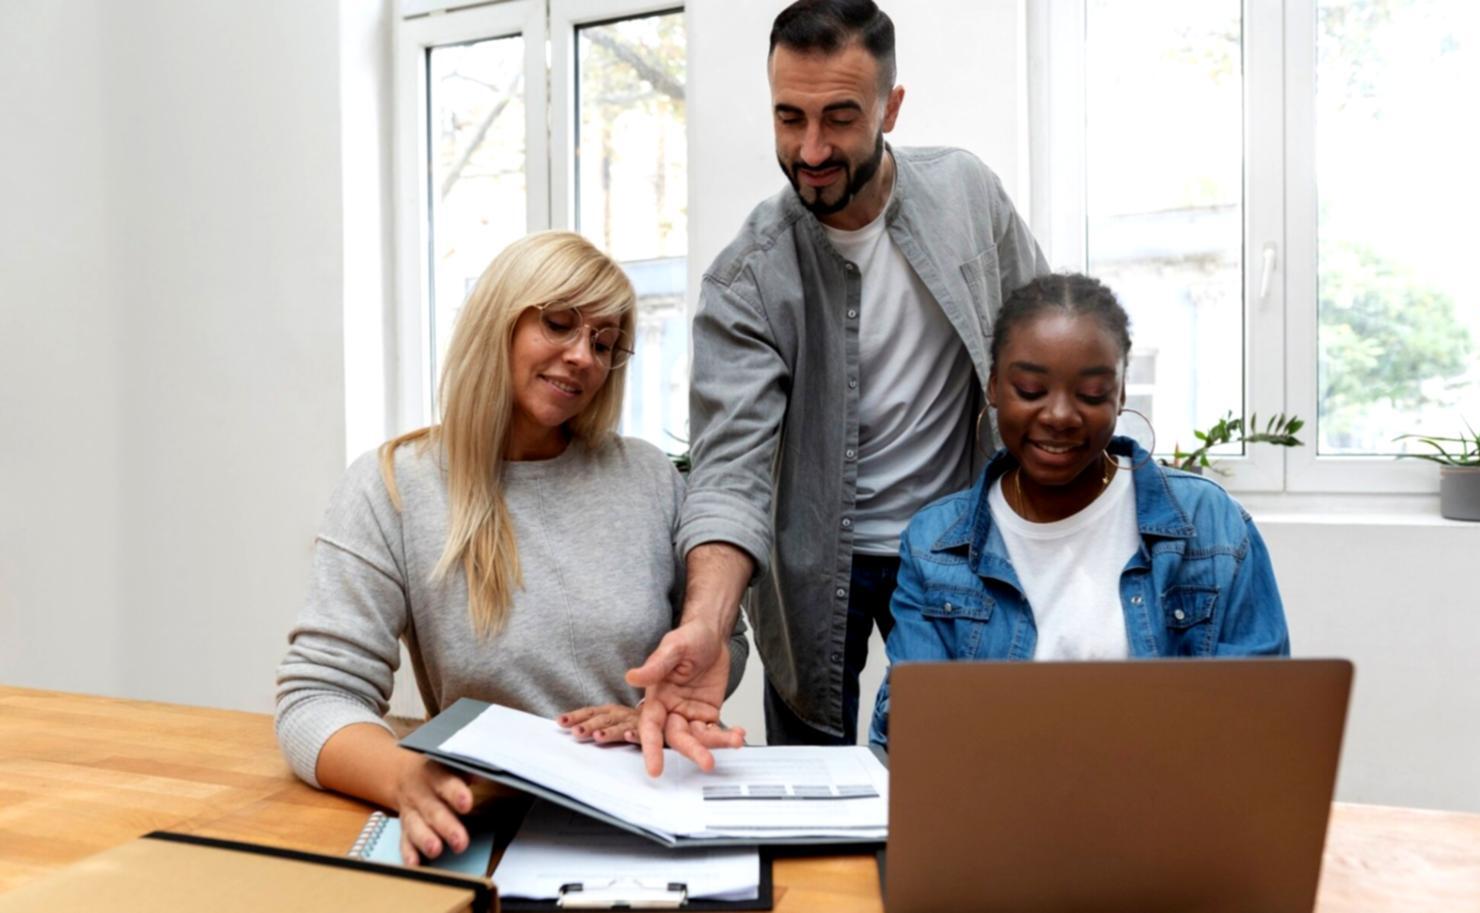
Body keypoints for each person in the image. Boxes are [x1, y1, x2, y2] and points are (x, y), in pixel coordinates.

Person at [627, 0, 1047, 771]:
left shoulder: (965, 194)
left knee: (960, 768)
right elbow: (729, 474)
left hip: (952, 541)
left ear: (891, 107)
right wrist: (706, 621)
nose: (810, 149)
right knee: (810, 794)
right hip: (812, 569)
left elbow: (1042, 334)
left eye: (839, 118)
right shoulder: (749, 275)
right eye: (789, 118)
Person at [275, 231, 748, 864]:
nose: (583, 356)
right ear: (497, 320)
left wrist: (655, 713)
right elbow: (316, 698)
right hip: (490, 829)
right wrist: (404, 778)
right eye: (559, 325)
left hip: (649, 812)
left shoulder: (649, 477)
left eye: (603, 343)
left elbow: (722, 642)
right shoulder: (394, 485)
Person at [867, 273, 1291, 748]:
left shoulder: (1208, 525)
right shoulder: (935, 544)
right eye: (1030, 389)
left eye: (1091, 395)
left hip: (1171, 811)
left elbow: (1259, 721)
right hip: (998, 814)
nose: (1060, 416)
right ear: (992, 386)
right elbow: (914, 738)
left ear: (1121, 394)